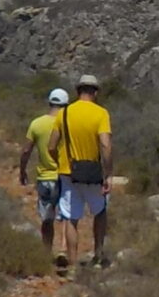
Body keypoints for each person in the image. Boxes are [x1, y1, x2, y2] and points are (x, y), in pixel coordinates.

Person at [55, 73, 114, 269]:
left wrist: (61, 161)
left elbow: (51, 145)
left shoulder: (63, 114)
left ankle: (72, 266)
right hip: (94, 174)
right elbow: (105, 145)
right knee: (100, 212)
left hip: (69, 172)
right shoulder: (101, 114)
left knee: (71, 218)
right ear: (95, 92)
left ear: (77, 91)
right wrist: (108, 174)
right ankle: (97, 256)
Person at [18, 87, 72, 266]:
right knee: (67, 215)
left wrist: (22, 170)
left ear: (50, 103)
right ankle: (64, 249)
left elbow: (26, 150)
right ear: (66, 105)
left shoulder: (37, 124)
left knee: (47, 217)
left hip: (44, 177)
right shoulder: (68, 123)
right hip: (65, 175)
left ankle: (47, 251)